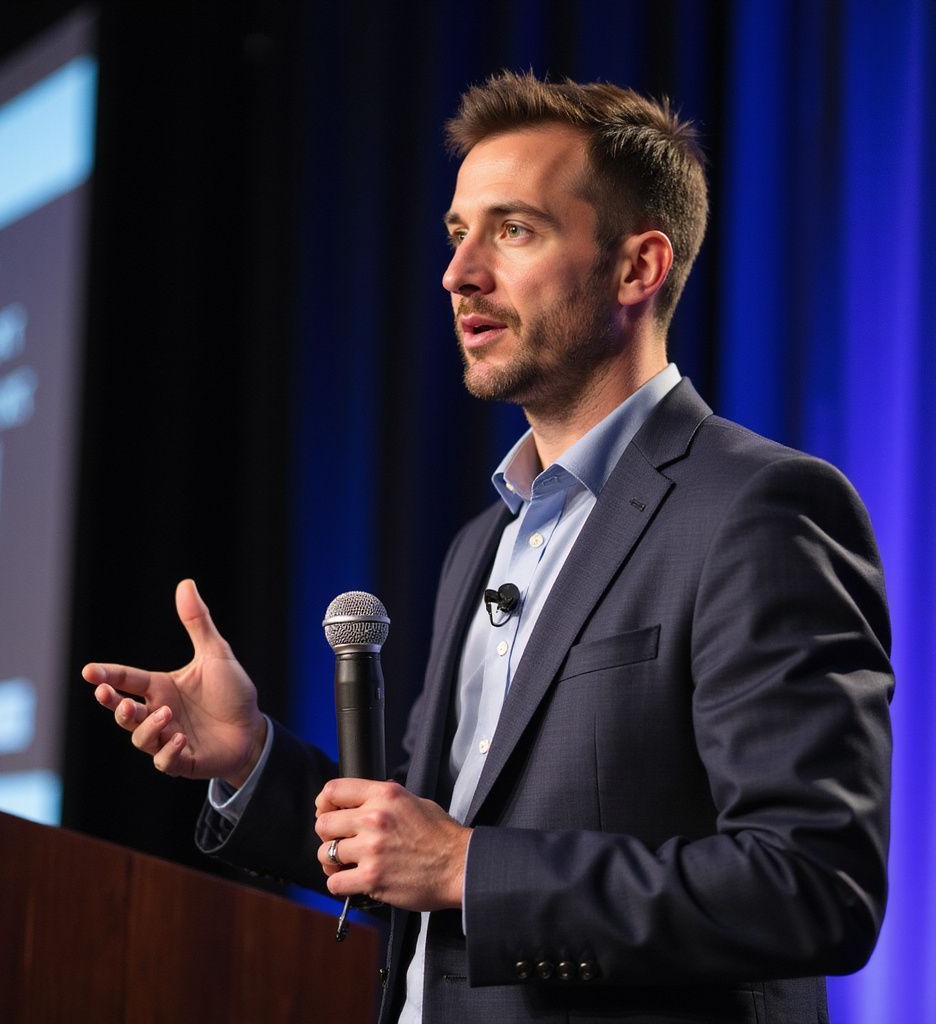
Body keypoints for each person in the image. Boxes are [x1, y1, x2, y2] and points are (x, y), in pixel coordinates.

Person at [82, 72, 893, 1024]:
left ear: (638, 268)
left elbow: (813, 885)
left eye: (513, 231)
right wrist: (250, 758)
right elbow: (413, 853)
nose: (458, 274)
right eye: (457, 232)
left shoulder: (758, 508)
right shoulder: (482, 544)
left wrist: (469, 868)